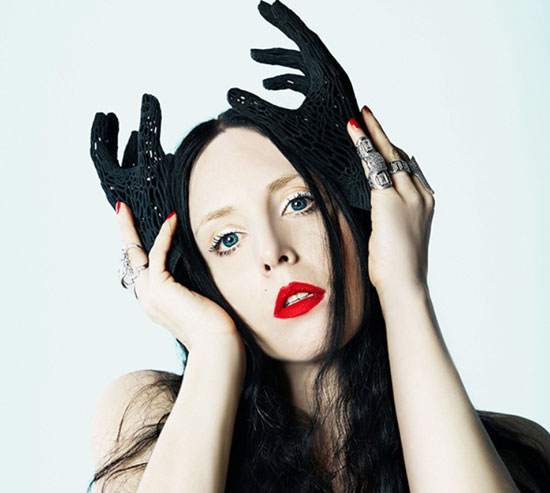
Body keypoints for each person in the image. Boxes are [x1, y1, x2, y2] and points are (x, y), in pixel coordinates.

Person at [88, 2, 550, 492]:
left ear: (360, 217)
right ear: (198, 280)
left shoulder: (519, 451)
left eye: (299, 202)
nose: (274, 252)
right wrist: (212, 346)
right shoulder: (147, 418)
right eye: (227, 240)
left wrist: (404, 288)